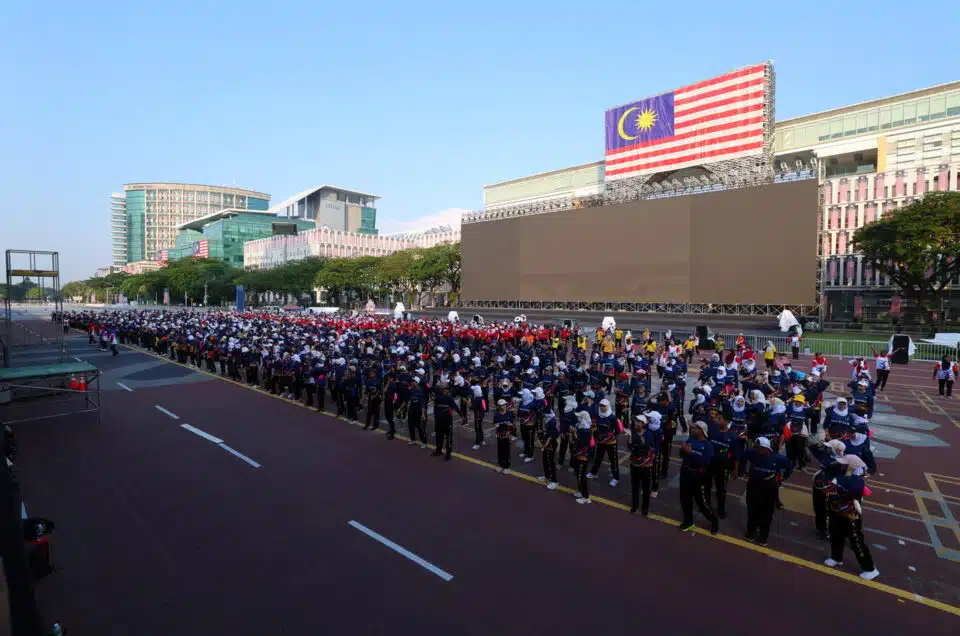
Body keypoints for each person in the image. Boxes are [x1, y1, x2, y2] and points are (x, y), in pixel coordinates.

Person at [823, 455, 880, 580]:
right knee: (835, 533)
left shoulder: (858, 481)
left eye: (845, 464)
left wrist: (845, 475)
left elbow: (843, 487)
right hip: (836, 511)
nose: (841, 465)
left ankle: (869, 568)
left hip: (851, 514)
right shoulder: (841, 475)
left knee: (856, 540)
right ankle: (836, 557)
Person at [743, 436, 792, 546]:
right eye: (756, 447)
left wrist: (784, 477)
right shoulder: (752, 453)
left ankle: (763, 537)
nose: (757, 450)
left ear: (767, 449)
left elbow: (789, 465)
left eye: (759, 448)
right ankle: (751, 533)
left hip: (769, 486)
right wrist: (743, 470)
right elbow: (742, 457)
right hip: (753, 484)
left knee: (767, 512)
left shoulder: (777, 458)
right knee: (751, 509)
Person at [677, 421, 719, 534]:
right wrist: (682, 450)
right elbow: (682, 454)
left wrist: (691, 452)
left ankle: (714, 521)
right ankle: (688, 522)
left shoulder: (708, 445)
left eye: (694, 428)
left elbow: (705, 462)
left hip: (698, 476)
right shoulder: (690, 439)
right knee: (685, 499)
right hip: (685, 472)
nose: (691, 429)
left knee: (702, 502)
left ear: (701, 431)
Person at [810, 439, 847, 540]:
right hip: (819, 484)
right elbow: (812, 448)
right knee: (818, 507)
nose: (828, 449)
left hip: (831, 487)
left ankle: (832, 530)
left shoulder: (844, 462)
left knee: (831, 509)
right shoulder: (826, 455)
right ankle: (821, 529)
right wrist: (819, 445)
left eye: (830, 448)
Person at [627, 414, 658, 516]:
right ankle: (635, 506)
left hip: (645, 466)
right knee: (634, 487)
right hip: (635, 464)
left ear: (643, 424)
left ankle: (645, 508)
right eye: (636, 421)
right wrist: (630, 438)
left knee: (646, 488)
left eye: (639, 422)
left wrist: (649, 462)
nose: (637, 423)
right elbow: (630, 447)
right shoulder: (633, 433)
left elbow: (652, 449)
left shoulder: (648, 435)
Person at [588, 398, 622, 487]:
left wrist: (611, 436)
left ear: (608, 406)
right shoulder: (597, 415)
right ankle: (593, 473)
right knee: (598, 458)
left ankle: (616, 478)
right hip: (600, 442)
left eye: (604, 406)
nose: (602, 408)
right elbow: (595, 427)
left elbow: (618, 430)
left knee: (613, 460)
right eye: (601, 406)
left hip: (611, 443)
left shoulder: (612, 417)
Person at [432, 385, 462, 460]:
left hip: (445, 421)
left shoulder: (446, 398)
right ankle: (439, 451)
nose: (445, 391)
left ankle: (447, 453)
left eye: (446, 389)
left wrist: (461, 415)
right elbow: (456, 407)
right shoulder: (441, 398)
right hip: (441, 421)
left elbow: (456, 408)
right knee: (440, 437)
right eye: (444, 389)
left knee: (447, 438)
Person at [572, 411, 594, 505]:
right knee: (578, 474)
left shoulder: (585, 431)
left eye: (580, 417)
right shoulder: (582, 427)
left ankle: (586, 497)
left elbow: (581, 443)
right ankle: (581, 491)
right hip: (579, 455)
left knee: (581, 476)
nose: (578, 418)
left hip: (583, 457)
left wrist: (574, 434)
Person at [537, 407, 560, 490]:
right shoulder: (549, 420)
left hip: (551, 444)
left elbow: (553, 436)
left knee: (550, 461)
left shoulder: (552, 422)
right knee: (545, 460)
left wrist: (544, 445)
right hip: (547, 443)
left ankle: (554, 481)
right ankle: (547, 476)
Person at [493, 399, 515, 474]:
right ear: (499, 406)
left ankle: (507, 466)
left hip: (507, 435)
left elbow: (512, 424)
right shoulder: (497, 414)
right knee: (500, 450)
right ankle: (501, 465)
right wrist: (497, 426)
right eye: (502, 405)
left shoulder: (509, 413)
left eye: (505, 404)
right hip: (499, 435)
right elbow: (495, 423)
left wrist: (511, 434)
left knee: (507, 451)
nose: (504, 406)